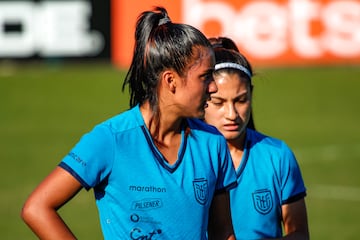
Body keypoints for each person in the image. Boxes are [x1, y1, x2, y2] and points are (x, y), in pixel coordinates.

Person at [21, 8, 237, 240]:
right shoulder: (110, 140)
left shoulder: (212, 143)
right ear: (171, 81)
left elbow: (223, 233)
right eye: (205, 77)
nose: (214, 87)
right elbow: (37, 208)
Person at [204, 37, 309, 239]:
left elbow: (299, 232)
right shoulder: (187, 157)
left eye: (241, 100)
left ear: (251, 95)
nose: (232, 113)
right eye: (219, 102)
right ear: (203, 97)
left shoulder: (277, 155)